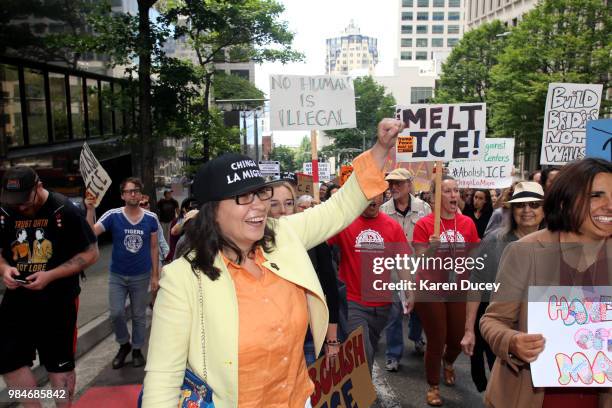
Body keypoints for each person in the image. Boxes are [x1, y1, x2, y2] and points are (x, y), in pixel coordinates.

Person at [142, 118, 403, 407]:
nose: (259, 205)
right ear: (212, 211)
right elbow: (162, 380)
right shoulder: (181, 279)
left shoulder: (283, 235)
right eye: (243, 197)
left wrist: (380, 149)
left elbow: (338, 209)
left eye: (260, 193)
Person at [480, 158, 611, 408]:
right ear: (566, 200)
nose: (609, 206)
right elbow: (493, 320)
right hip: (529, 397)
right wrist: (512, 342)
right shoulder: (524, 252)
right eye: (596, 195)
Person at [0, 167, 99, 407]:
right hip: (17, 299)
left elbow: (91, 253)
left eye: (24, 201)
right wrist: (5, 270)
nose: (20, 207)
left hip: (58, 300)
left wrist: (51, 275)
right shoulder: (5, 211)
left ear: (39, 187)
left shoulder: (64, 209)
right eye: (15, 202)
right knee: (7, 360)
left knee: (59, 366)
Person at [461, 182, 546, 392]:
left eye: (534, 204)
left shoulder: (559, 241)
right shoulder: (494, 241)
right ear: (511, 209)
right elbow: (476, 285)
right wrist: (469, 330)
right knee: (505, 387)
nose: (527, 210)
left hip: (541, 326)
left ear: (545, 209)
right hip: (499, 323)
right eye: (520, 205)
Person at [411, 175, 480, 406]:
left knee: (457, 337)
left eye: (456, 191)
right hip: (429, 289)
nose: (453, 195)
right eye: (447, 191)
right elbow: (420, 261)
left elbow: (473, 255)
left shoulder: (467, 223)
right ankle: (433, 385)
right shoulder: (424, 225)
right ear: (435, 197)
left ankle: (448, 362)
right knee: (437, 338)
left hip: (457, 289)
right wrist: (432, 248)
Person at [328, 193, 408, 373]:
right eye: (367, 195)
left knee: (368, 350)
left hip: (382, 305)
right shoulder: (344, 223)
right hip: (352, 302)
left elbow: (402, 262)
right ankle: (362, 395)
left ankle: (361, 389)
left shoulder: (393, 227)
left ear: (383, 197)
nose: (372, 199)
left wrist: (409, 292)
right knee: (362, 351)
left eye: (376, 195)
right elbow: (321, 242)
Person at [85, 177, 159, 370]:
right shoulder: (112, 215)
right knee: (116, 313)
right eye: (129, 191)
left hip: (141, 274)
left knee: (138, 315)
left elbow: (153, 247)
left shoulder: (151, 218)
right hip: (117, 275)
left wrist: (155, 276)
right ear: (122, 196)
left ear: (141, 194)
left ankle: (136, 349)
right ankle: (124, 344)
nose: (133, 194)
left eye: (136, 190)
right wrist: (91, 210)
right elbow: (91, 233)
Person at [267, 182, 340, 365]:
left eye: (289, 203)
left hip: (307, 335)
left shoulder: (314, 242)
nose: (282, 210)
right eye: (274, 204)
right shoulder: (251, 244)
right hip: (268, 340)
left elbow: (330, 290)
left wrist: (331, 340)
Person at [380, 167, 431, 371]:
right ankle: (393, 354)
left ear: (410, 184)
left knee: (419, 309)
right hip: (393, 270)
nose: (393, 187)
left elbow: (430, 234)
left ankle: (416, 336)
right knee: (393, 314)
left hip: (418, 268)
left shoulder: (424, 208)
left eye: (398, 183)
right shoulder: (383, 210)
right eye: (391, 183)